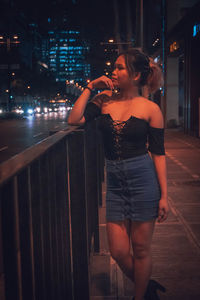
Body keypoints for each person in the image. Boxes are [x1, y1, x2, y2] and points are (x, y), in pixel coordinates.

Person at [68, 48, 169, 300]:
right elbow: (74, 119)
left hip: (143, 182)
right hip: (115, 183)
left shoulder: (151, 109)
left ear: (135, 75)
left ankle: (141, 296)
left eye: (120, 67)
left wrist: (164, 195)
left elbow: (158, 154)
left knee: (141, 249)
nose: (114, 71)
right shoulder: (104, 100)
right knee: (118, 251)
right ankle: (146, 287)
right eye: (114, 67)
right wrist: (90, 87)